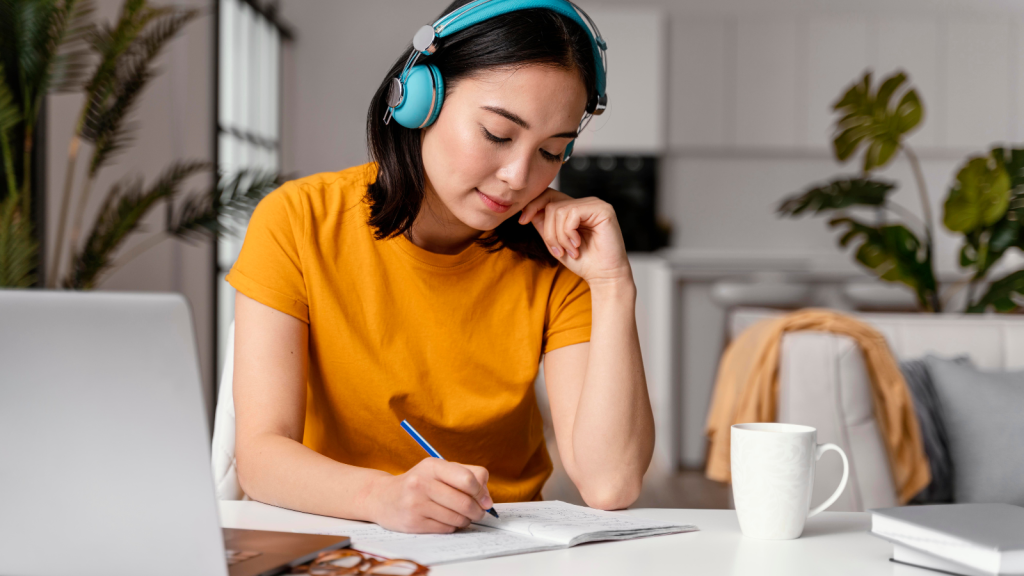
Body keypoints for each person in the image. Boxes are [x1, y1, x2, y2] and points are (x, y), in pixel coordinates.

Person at [229, 0, 654, 535]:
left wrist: (613, 286)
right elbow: (262, 456)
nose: (518, 175)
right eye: (498, 135)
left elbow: (610, 483)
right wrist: (382, 496)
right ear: (420, 100)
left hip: (503, 546)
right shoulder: (297, 221)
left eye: (552, 151)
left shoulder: (559, 253)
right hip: (343, 531)